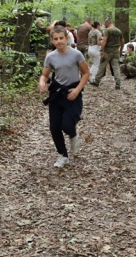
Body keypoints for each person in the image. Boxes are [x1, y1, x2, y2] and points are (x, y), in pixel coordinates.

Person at [38, 25, 90, 168]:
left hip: (73, 92)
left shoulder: (76, 54)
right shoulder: (51, 57)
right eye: (56, 39)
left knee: (67, 125)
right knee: (54, 127)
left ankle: (73, 135)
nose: (59, 41)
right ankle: (62, 155)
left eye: (61, 38)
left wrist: (77, 90)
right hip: (57, 93)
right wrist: (42, 83)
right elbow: (45, 74)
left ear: (67, 38)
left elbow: (86, 73)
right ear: (52, 41)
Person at [90, 18, 123, 90]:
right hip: (116, 52)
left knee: (102, 66)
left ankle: (96, 81)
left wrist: (101, 50)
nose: (104, 25)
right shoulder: (118, 30)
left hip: (107, 52)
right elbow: (122, 41)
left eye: (105, 23)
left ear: (107, 23)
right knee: (116, 67)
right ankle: (118, 84)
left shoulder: (107, 30)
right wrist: (121, 50)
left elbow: (104, 40)